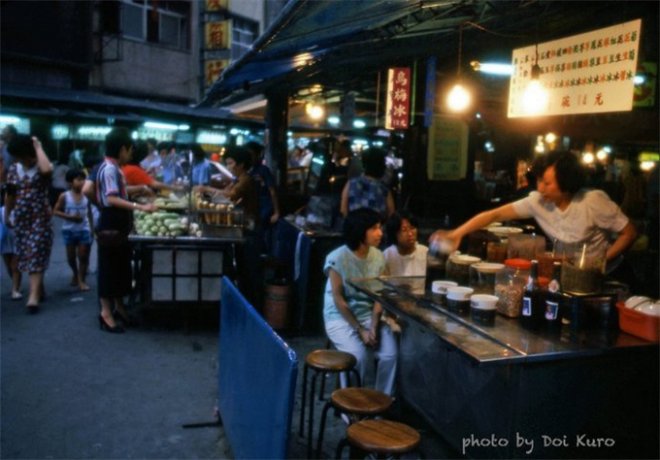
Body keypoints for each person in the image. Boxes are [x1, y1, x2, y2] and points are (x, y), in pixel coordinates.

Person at [430, 150, 638, 277]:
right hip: (572, 275)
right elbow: (494, 215)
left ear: (566, 183)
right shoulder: (537, 201)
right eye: (539, 180)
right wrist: (456, 233)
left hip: (610, 275)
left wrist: (600, 262)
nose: (540, 188)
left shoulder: (592, 202)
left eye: (547, 183)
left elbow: (629, 233)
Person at [323, 208, 397, 396]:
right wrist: (360, 330)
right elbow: (339, 299)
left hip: (369, 314)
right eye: (374, 228)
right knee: (359, 357)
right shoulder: (337, 258)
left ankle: (381, 400)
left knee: (390, 355)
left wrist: (374, 325)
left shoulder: (379, 257)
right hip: (340, 316)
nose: (380, 233)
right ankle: (352, 403)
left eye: (380, 227)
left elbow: (380, 294)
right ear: (359, 231)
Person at [95, 127, 156, 333]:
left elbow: (118, 191)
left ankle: (120, 309)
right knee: (109, 269)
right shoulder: (109, 169)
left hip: (118, 221)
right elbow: (112, 198)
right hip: (111, 222)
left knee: (119, 267)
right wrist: (141, 207)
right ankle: (106, 313)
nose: (131, 154)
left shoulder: (114, 168)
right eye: (129, 150)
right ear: (122, 149)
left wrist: (139, 190)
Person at [4, 134, 53, 313]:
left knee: (36, 251)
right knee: (27, 253)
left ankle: (33, 298)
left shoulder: (41, 164)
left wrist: (38, 146)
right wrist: (7, 214)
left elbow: (47, 170)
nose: (19, 159)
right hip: (21, 218)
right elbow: (10, 194)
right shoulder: (14, 169)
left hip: (40, 217)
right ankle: (39, 288)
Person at [52, 168, 93, 291]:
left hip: (84, 229)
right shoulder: (65, 196)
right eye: (78, 180)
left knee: (83, 255)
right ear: (70, 182)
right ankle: (75, 273)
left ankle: (81, 280)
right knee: (71, 257)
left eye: (83, 179)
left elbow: (90, 212)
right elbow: (55, 211)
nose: (82, 182)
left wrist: (92, 228)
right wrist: (70, 217)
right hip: (69, 230)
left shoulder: (87, 195)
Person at [340, 147, 395, 219]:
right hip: (376, 225)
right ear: (381, 166)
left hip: (353, 224)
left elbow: (343, 210)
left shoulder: (351, 184)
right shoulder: (384, 190)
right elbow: (391, 215)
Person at [246, 141, 280, 253]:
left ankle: (263, 254)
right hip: (253, 207)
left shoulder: (263, 170)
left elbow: (272, 191)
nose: (249, 158)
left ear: (257, 155)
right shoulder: (247, 170)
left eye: (251, 155)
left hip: (264, 207)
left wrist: (276, 212)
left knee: (259, 233)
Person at [383, 211, 428, 277]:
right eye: (404, 230)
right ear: (394, 233)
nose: (410, 234)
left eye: (412, 228)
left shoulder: (425, 252)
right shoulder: (387, 255)